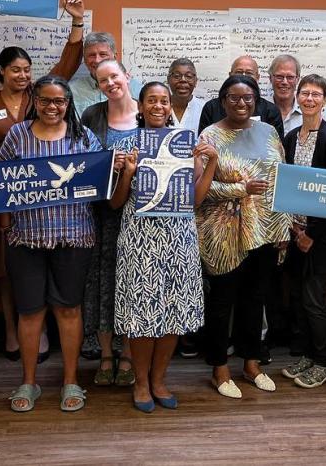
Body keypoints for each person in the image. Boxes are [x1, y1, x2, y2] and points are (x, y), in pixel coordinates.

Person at [0, 75, 104, 413]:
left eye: (59, 101)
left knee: (69, 309)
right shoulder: (18, 135)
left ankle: (70, 380)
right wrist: (1, 217)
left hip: (74, 236)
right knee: (30, 313)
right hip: (25, 238)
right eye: (45, 100)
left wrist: (114, 167)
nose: (52, 107)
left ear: (68, 103)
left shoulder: (83, 136)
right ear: (35, 101)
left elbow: (100, 182)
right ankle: (29, 382)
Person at [109, 82, 217, 411]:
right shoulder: (126, 145)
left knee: (172, 312)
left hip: (178, 238)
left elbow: (195, 200)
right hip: (139, 240)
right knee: (142, 313)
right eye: (152, 100)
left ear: (171, 107)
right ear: (140, 107)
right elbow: (115, 203)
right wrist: (127, 172)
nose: (158, 106)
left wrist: (210, 163)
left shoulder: (186, 143)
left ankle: (159, 380)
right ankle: (140, 382)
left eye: (164, 101)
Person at [0, 42, 83, 363]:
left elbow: (92, 173)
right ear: (2, 72)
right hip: (16, 215)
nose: (22, 74)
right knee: (16, 285)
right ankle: (17, 343)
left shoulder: (81, 133)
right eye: (15, 69)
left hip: (70, 228)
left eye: (26, 69)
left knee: (66, 302)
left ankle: (59, 359)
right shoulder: (10, 126)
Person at [197, 75, 291, 399]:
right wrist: (240, 189)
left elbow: (282, 180)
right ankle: (219, 368)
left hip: (264, 230)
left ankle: (251, 363)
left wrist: (284, 226)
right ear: (222, 101)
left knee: (256, 299)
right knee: (222, 302)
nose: (241, 104)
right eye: (234, 98)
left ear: (256, 101)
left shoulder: (268, 131)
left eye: (248, 98)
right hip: (223, 232)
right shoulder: (210, 135)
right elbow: (201, 190)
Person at [278, 75, 326, 389]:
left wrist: (312, 235)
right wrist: (294, 228)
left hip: (322, 236)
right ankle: (306, 355)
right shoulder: (292, 136)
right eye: (304, 93)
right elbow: (290, 186)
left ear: (325, 99)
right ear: (297, 97)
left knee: (314, 299)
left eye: (315, 94)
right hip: (295, 230)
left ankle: (325, 363)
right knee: (298, 297)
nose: (308, 99)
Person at [80, 59, 140, 387]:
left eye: (114, 76)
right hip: (102, 214)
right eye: (103, 80)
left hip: (140, 216)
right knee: (102, 282)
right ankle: (105, 354)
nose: (110, 84)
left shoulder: (148, 112)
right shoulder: (92, 116)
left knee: (131, 282)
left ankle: (128, 354)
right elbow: (83, 163)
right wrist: (108, 165)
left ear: (126, 75)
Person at [198, 55, 284, 135]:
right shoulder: (211, 108)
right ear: (230, 75)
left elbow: (277, 148)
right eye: (239, 72)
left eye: (249, 73)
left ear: (257, 77)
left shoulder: (271, 111)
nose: (244, 77)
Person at [70, 32, 144, 115]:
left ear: (115, 57)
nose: (97, 60)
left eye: (103, 54)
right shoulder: (72, 90)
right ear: (85, 59)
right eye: (91, 55)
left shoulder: (137, 90)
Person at [167, 57, 206, 131]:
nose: (183, 80)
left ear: (196, 81)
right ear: (168, 80)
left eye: (189, 76)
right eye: (177, 76)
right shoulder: (160, 108)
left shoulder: (205, 109)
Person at [270, 55, 303, 134]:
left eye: (290, 77)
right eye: (279, 76)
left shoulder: (307, 113)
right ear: (270, 78)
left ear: (297, 80)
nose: (284, 82)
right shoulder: (260, 110)